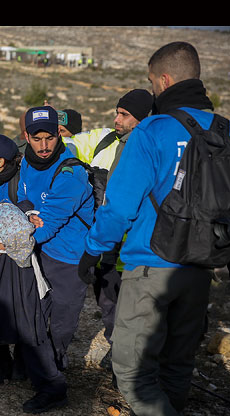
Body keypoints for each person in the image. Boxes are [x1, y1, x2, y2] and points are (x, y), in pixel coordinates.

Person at [77, 41, 230, 416]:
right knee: (178, 363)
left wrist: (94, 250)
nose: (151, 90)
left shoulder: (152, 131)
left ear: (164, 80)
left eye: (151, 83)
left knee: (130, 369)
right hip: (203, 268)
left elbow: (119, 206)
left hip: (150, 267)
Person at [0, 133, 68, 413]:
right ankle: (5, 364)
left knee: (26, 318)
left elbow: (32, 219)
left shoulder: (19, 182)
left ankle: (44, 380)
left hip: (17, 264)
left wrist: (5, 243)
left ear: (0, 161)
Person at [65, 90, 154, 367]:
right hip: (104, 243)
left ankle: (131, 361)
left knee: (136, 308)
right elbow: (72, 144)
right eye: (117, 112)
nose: (117, 119)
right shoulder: (105, 139)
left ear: (142, 119)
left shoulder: (149, 149)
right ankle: (117, 349)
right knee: (107, 302)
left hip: (137, 247)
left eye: (124, 115)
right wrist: (69, 166)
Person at [17, 105, 94, 374]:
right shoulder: (27, 160)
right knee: (34, 313)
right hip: (39, 251)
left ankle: (54, 378)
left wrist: (11, 242)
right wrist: (26, 212)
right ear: (26, 137)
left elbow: (48, 224)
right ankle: (34, 366)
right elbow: (22, 196)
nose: (44, 145)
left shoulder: (71, 173)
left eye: (50, 137)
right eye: (37, 139)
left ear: (59, 135)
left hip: (69, 258)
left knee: (62, 321)